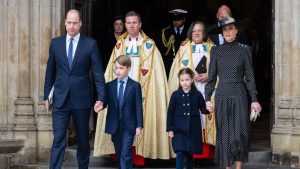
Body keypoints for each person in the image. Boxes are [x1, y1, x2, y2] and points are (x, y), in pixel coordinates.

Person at [94, 11, 173, 163]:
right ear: (125, 25)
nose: (131, 25)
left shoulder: (150, 45)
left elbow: (157, 76)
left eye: (134, 22)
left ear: (140, 24)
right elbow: (111, 73)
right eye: (128, 23)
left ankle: (141, 155)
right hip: (122, 94)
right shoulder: (119, 45)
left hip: (144, 93)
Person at [43, 9, 105, 169]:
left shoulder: (90, 44)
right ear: (65, 23)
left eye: (75, 23)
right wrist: (46, 96)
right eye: (69, 22)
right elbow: (50, 72)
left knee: (83, 141)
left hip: (81, 100)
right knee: (58, 139)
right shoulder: (56, 43)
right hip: (60, 99)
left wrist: (101, 97)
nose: (71, 26)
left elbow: (98, 74)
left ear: (80, 24)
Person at [205, 17, 262, 169]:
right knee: (224, 136)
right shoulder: (216, 50)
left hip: (240, 95)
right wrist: (207, 98)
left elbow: (250, 78)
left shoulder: (245, 50)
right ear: (222, 33)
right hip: (222, 94)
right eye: (225, 29)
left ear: (237, 31)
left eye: (231, 28)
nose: (228, 32)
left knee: (239, 135)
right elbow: (211, 78)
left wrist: (254, 100)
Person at [168, 21, 215, 160]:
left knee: (204, 117)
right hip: (190, 90)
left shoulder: (212, 48)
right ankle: (191, 155)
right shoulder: (183, 48)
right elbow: (176, 71)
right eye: (194, 31)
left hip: (207, 88)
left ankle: (204, 154)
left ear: (204, 33)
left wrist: (209, 76)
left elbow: (219, 69)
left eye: (200, 30)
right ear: (190, 33)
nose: (197, 33)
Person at [94, 55, 143, 169]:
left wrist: (139, 125)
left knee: (126, 153)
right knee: (120, 152)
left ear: (129, 69)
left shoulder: (135, 86)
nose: (118, 71)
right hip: (114, 125)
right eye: (116, 68)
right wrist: (100, 106)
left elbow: (138, 106)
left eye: (121, 68)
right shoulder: (109, 86)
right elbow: (105, 102)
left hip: (129, 125)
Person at [167, 68, 208, 169]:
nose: (184, 82)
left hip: (193, 129)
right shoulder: (175, 95)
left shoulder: (197, 95)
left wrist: (209, 108)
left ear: (192, 80)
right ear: (179, 80)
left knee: (190, 153)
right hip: (178, 129)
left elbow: (203, 109)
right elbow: (170, 113)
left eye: (187, 80)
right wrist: (169, 129)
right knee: (180, 152)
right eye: (182, 80)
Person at [159, 9, 188, 78]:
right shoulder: (166, 32)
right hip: (170, 65)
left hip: (185, 63)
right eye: (174, 19)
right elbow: (162, 51)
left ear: (183, 19)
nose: (176, 22)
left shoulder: (189, 32)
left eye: (178, 19)